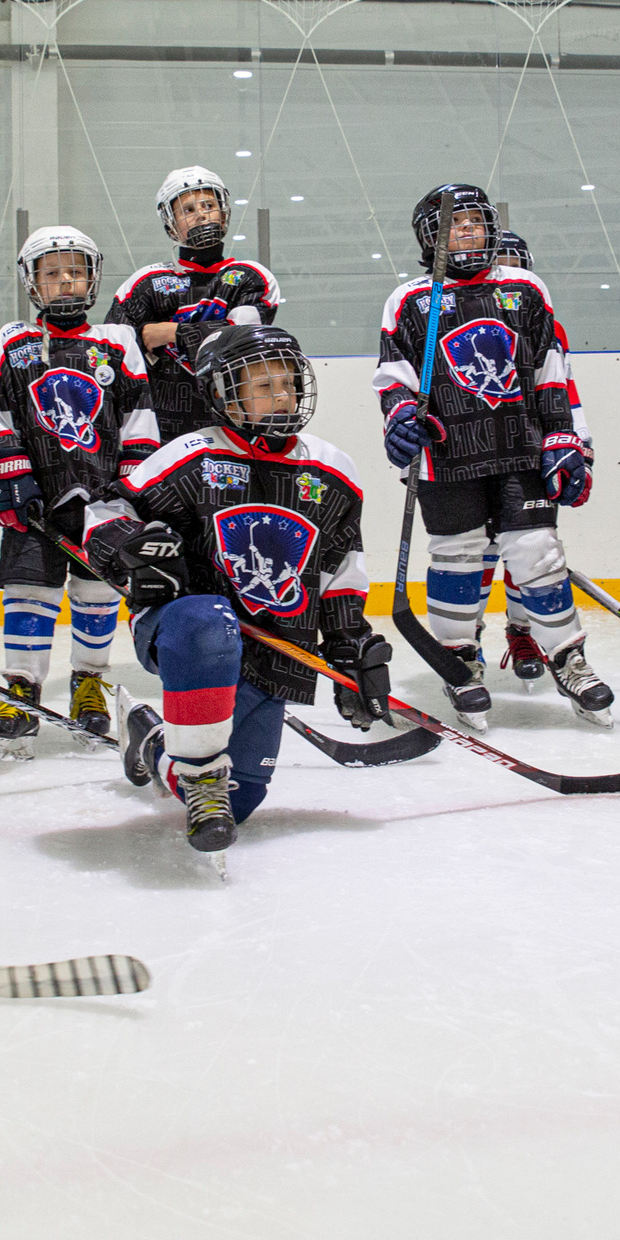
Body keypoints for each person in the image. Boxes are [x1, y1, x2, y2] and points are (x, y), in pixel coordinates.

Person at [83, 325, 386, 863]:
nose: (281, 394)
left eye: (288, 382)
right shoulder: (192, 457)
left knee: (241, 799)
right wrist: (132, 546)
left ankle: (151, 740)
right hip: (186, 627)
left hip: (273, 644)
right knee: (210, 622)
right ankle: (198, 773)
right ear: (224, 394)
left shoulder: (333, 471)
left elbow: (340, 569)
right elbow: (107, 512)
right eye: (262, 383)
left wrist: (348, 646)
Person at [375, 183, 608, 728]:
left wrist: (562, 437)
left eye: (477, 223)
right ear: (430, 238)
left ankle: (569, 659)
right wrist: (400, 419)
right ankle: (460, 663)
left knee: (537, 553)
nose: (469, 232)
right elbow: (394, 375)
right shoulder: (409, 300)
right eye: (456, 224)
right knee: (457, 559)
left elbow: (550, 368)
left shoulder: (525, 288)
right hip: (446, 457)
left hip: (520, 451)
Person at [0, 226, 159, 756]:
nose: (65, 282)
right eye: (52, 273)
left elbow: (140, 415)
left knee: (97, 588)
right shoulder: (12, 342)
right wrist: (10, 477)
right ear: (33, 284)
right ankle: (21, 685)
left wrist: (132, 485)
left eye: (75, 270)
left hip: (103, 497)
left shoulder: (116, 342)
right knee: (29, 585)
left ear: (93, 277)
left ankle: (89, 682)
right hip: (35, 496)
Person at [478, 226, 588, 680]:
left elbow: (561, 388)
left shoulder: (544, 320)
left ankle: (521, 630)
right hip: (471, 458)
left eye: (515, 264)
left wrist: (577, 442)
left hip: (530, 452)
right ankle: (468, 644)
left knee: (529, 553)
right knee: (478, 556)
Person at [105, 166, 283, 440]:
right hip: (160, 429)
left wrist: (170, 332)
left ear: (223, 212)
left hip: (237, 426)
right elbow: (114, 354)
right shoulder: (144, 283)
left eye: (209, 205)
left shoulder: (252, 276)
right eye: (188, 210)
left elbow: (238, 343)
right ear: (170, 223)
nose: (201, 214)